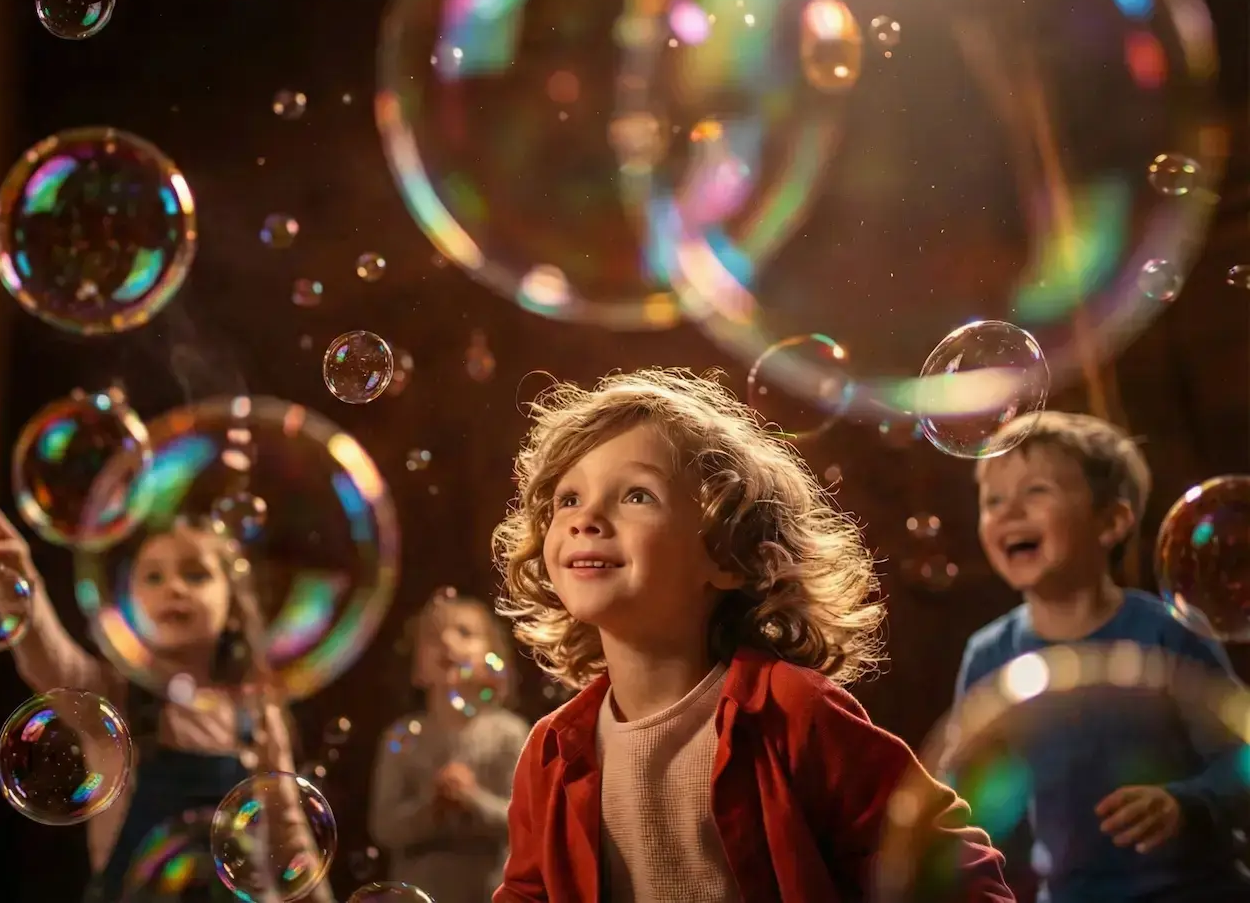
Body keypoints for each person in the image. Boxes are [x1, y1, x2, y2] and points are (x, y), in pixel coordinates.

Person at [489, 369, 1013, 903]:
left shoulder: (792, 712)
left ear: (728, 558)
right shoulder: (551, 752)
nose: (587, 519)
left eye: (637, 496)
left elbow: (942, 864)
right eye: (568, 498)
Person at [0, 493, 333, 903]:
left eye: (195, 575)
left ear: (232, 606)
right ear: (130, 607)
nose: (174, 587)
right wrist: (19, 587)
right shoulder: (116, 703)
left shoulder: (257, 711)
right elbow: (54, 666)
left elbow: (290, 833)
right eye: (153, 577)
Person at [955, 410, 1250, 902]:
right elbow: (971, 796)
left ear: (1111, 521)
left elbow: (1242, 757)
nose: (1008, 512)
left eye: (1036, 492)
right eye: (993, 500)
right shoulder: (988, 655)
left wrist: (1188, 805)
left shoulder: (1167, 632)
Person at [368, 592, 530, 902]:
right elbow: (384, 827)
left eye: (464, 632)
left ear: (494, 659)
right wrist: (433, 805)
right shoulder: (401, 737)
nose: (446, 640)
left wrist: (472, 799)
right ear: (417, 668)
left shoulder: (510, 733)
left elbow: (524, 822)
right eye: (432, 635)